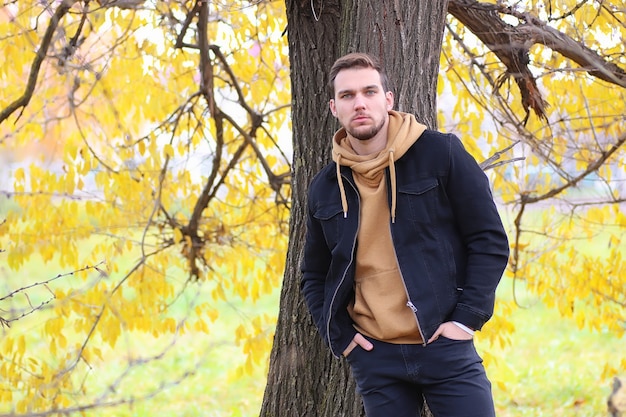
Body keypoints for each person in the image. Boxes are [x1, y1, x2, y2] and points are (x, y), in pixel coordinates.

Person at [300, 52, 510, 417]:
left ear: (388, 99)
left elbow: (488, 240)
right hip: (376, 357)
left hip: (444, 345)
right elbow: (314, 274)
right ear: (335, 108)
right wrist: (341, 336)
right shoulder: (324, 188)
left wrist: (465, 319)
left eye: (369, 91)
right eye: (348, 96)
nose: (360, 103)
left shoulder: (440, 154)